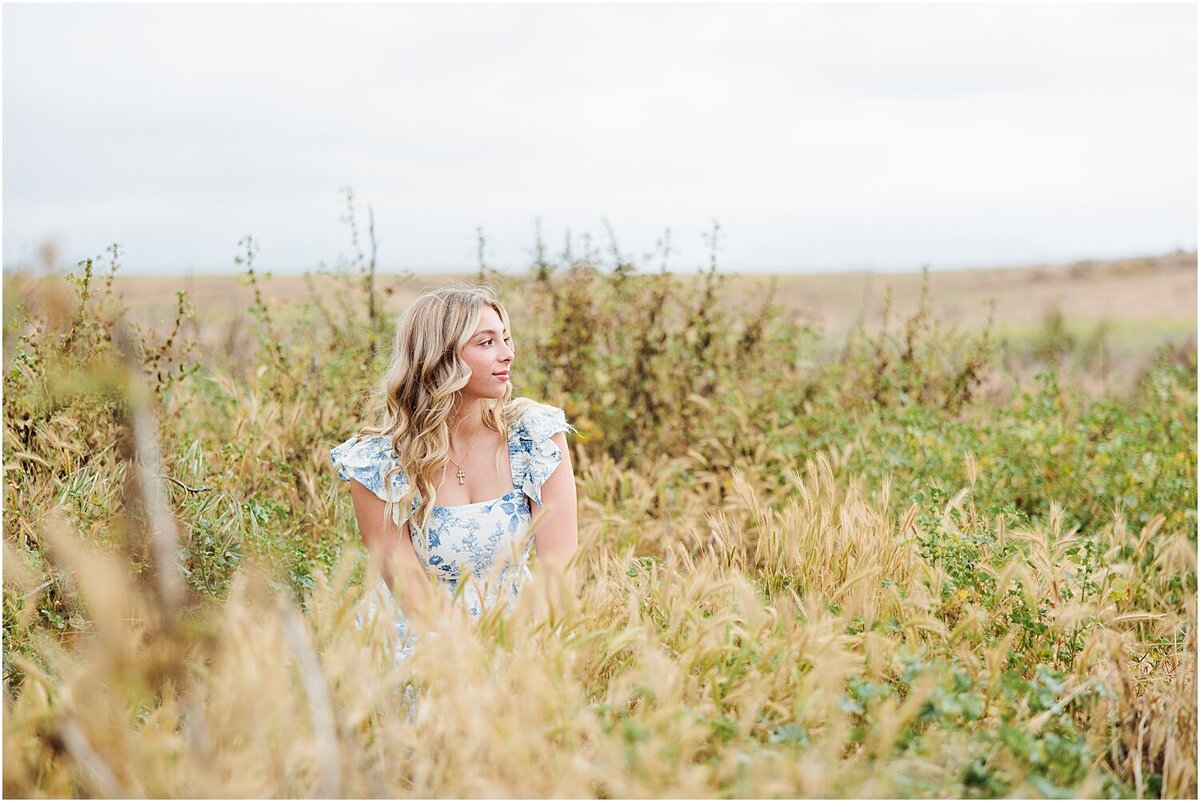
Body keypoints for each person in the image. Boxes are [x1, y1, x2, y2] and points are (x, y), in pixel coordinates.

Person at [331, 285, 578, 662]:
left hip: (523, 629)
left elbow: (559, 566)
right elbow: (409, 588)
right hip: (423, 640)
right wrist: (476, 654)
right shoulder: (378, 463)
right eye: (486, 342)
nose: (507, 354)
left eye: (505, 339)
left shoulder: (535, 437)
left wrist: (525, 647)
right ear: (440, 357)